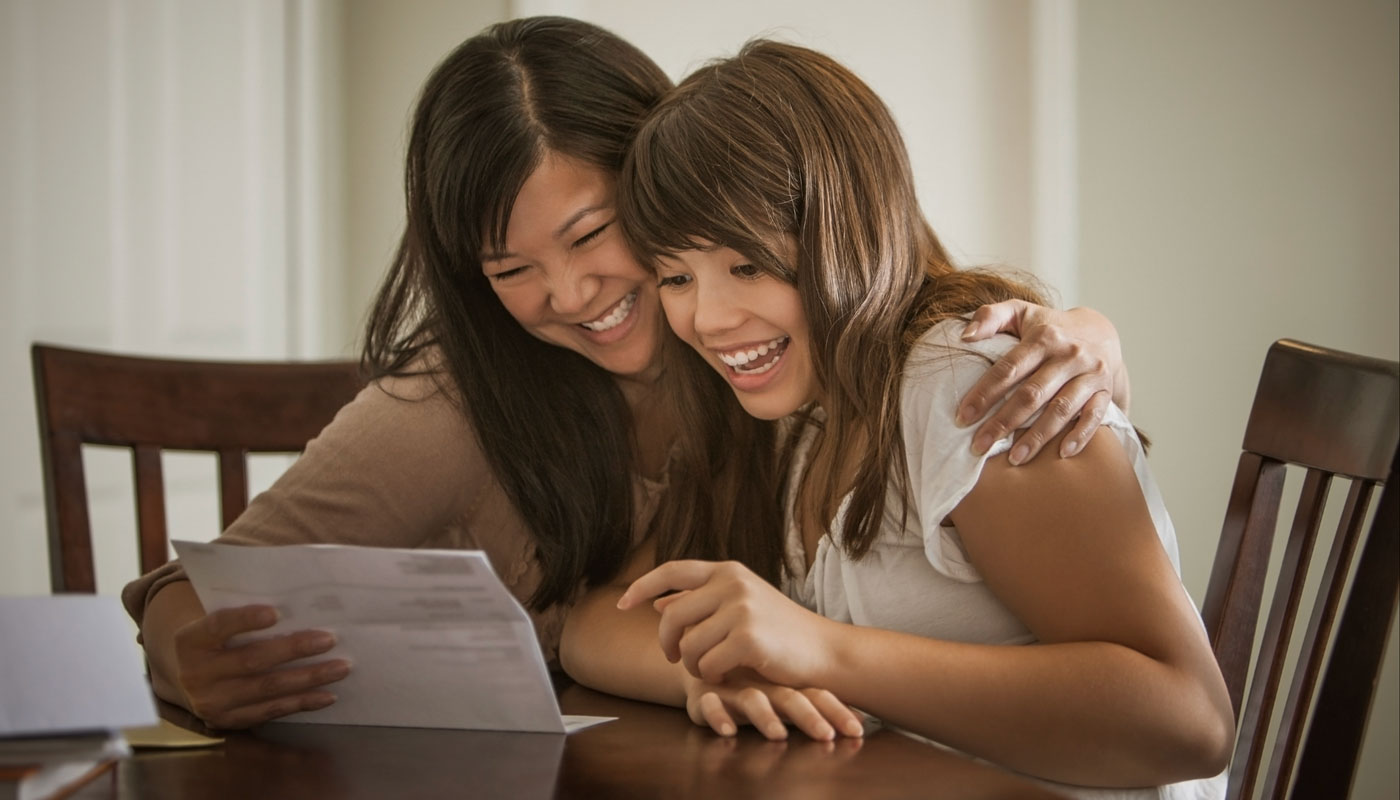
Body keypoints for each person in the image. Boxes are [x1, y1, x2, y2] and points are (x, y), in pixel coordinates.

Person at [121, 17, 1133, 731]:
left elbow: (910, 317)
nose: (566, 293)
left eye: (593, 233)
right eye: (511, 269)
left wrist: (1083, 333)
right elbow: (183, 590)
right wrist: (181, 651)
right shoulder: (450, 409)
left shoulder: (774, 364)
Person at [609, 40, 1233, 796]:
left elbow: (1189, 722)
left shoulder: (968, 386)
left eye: (746, 265)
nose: (707, 317)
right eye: (676, 276)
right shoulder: (806, 417)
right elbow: (591, 624)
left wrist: (823, 650)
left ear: (847, 227)